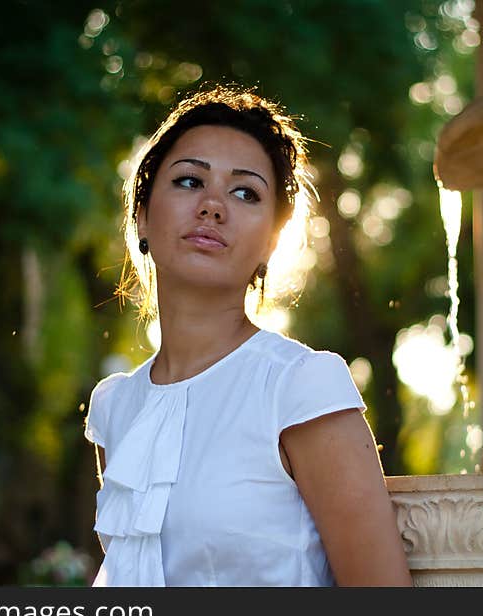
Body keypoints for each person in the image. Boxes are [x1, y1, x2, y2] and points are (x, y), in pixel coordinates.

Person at [84, 85, 412, 587]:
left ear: (270, 243)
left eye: (245, 192)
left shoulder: (301, 387)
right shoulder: (115, 408)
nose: (213, 205)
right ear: (143, 215)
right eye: (190, 180)